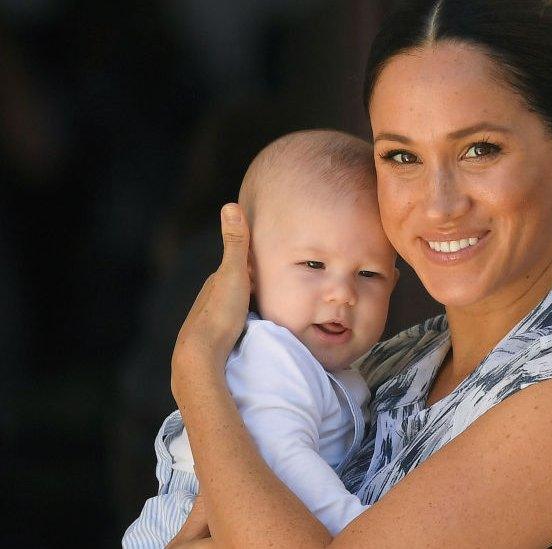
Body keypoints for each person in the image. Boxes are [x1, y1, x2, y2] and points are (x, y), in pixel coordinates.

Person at [165, 1, 552, 547]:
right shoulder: (396, 363)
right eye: (401, 157)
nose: (439, 205)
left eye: (479, 150)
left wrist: (198, 369)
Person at [123, 130, 398, 546]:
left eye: (368, 274)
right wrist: (361, 531)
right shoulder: (272, 356)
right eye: (313, 263)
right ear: (248, 268)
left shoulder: (334, 367)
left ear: (394, 282)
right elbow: (284, 463)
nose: (342, 293)